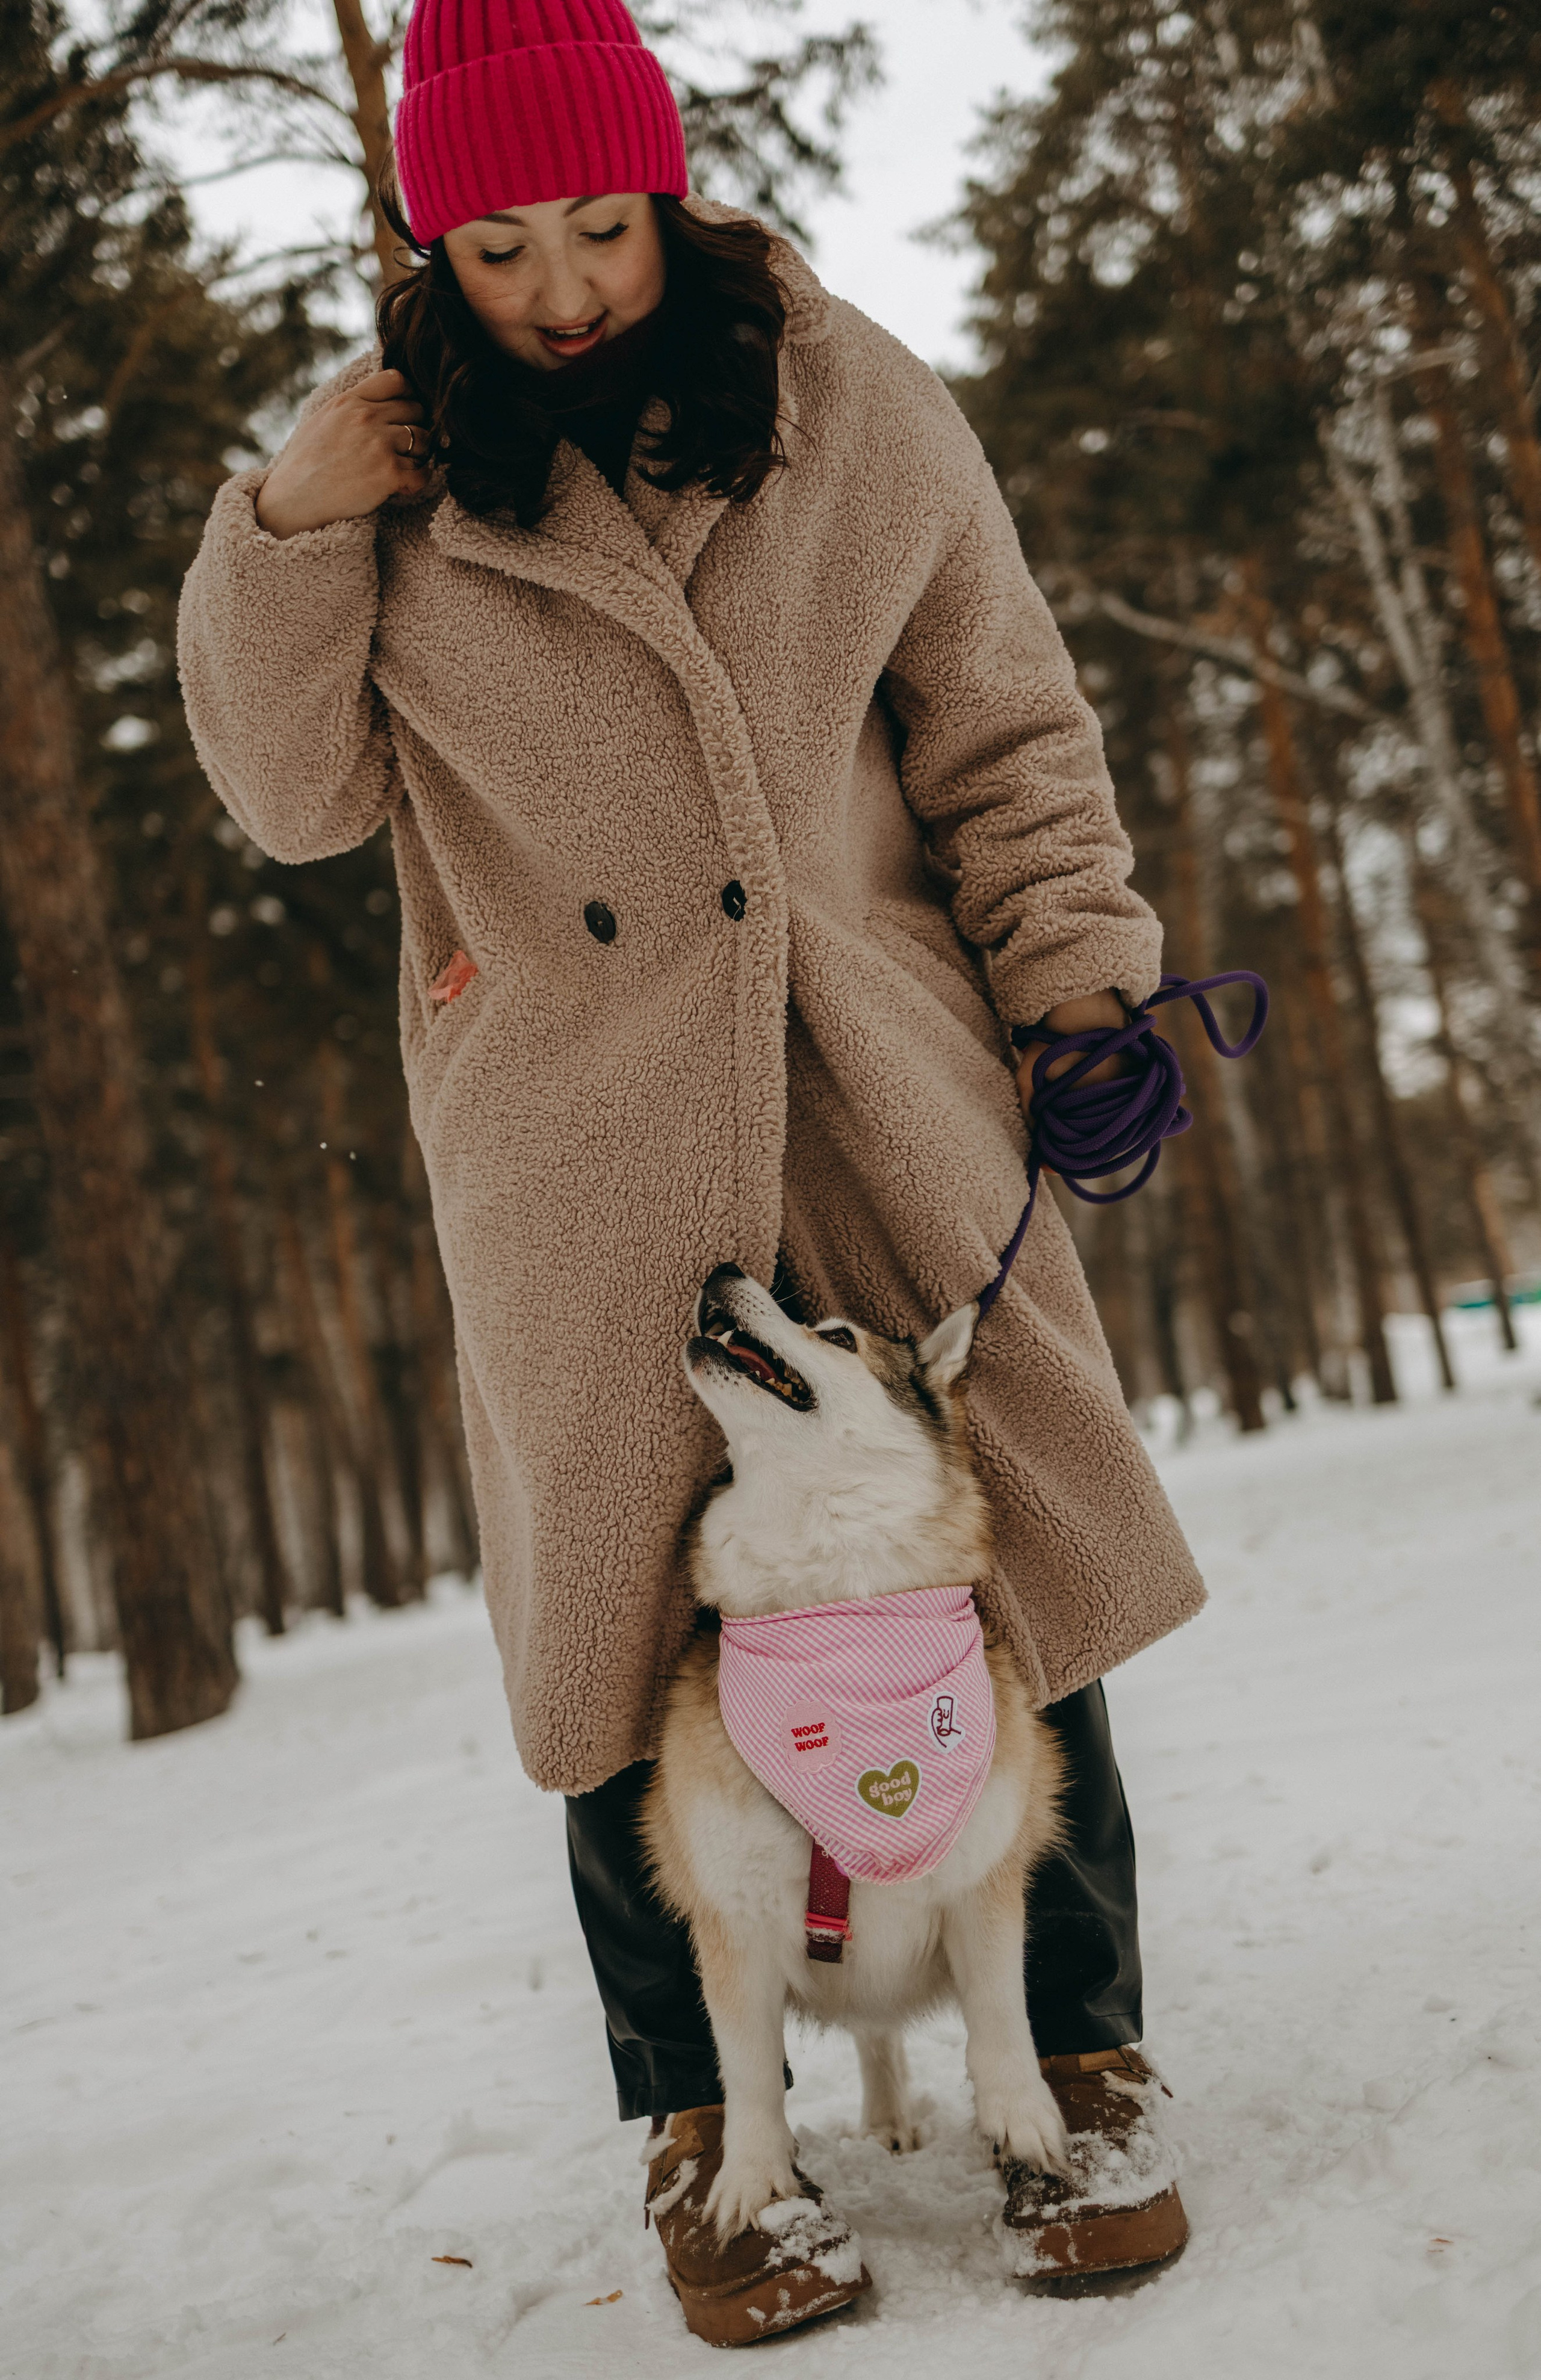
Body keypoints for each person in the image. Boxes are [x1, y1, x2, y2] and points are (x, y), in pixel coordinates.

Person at [178, 0, 1205, 2338]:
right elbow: (291, 794)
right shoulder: (393, 482)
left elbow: (1008, 726)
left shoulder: (847, 401)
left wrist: (1076, 988)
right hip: (577, 1132)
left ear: (672, 193)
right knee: (623, 1612)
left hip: (868, 1072)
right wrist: (282, 526)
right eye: (500, 242)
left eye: (600, 228)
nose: (555, 287)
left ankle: (1084, 2047)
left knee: (998, 1558)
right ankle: (698, 2126)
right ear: (435, 244)